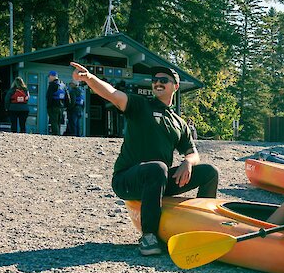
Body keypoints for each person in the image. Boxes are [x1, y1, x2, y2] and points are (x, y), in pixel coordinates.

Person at [70, 61, 219, 256]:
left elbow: (192, 152)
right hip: (128, 180)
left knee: (209, 172)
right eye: (155, 80)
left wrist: (188, 162)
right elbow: (112, 94)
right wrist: (89, 78)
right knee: (158, 168)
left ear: (175, 86)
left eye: (163, 80)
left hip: (158, 179)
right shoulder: (140, 105)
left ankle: (203, 226)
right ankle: (149, 237)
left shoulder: (179, 123)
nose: (157, 83)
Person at [45, 71, 69, 135]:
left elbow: (49, 96)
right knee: (58, 122)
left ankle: (55, 134)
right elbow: (67, 97)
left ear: (53, 76)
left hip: (53, 106)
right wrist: (65, 106)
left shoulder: (52, 84)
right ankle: (58, 134)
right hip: (61, 107)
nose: (49, 78)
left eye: (49, 76)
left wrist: (48, 106)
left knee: (53, 121)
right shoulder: (63, 85)